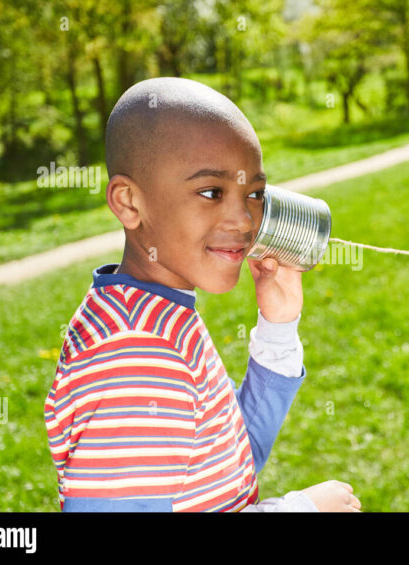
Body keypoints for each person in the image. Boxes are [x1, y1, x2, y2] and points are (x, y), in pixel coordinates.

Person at [44, 77, 361, 513]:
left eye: (253, 194)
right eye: (211, 192)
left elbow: (228, 456)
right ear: (129, 202)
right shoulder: (137, 353)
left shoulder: (155, 313)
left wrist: (278, 328)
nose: (244, 220)